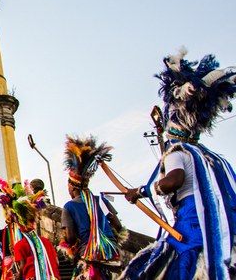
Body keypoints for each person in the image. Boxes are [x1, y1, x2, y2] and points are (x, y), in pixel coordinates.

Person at [120, 48, 236, 280]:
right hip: (221, 232)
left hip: (191, 229)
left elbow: (174, 181)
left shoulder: (178, 152)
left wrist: (142, 191)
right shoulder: (210, 157)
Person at [60, 136, 123, 280]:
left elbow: (70, 237)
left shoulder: (69, 207)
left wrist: (72, 246)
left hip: (88, 256)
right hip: (111, 255)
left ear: (71, 186)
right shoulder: (101, 200)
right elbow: (118, 225)